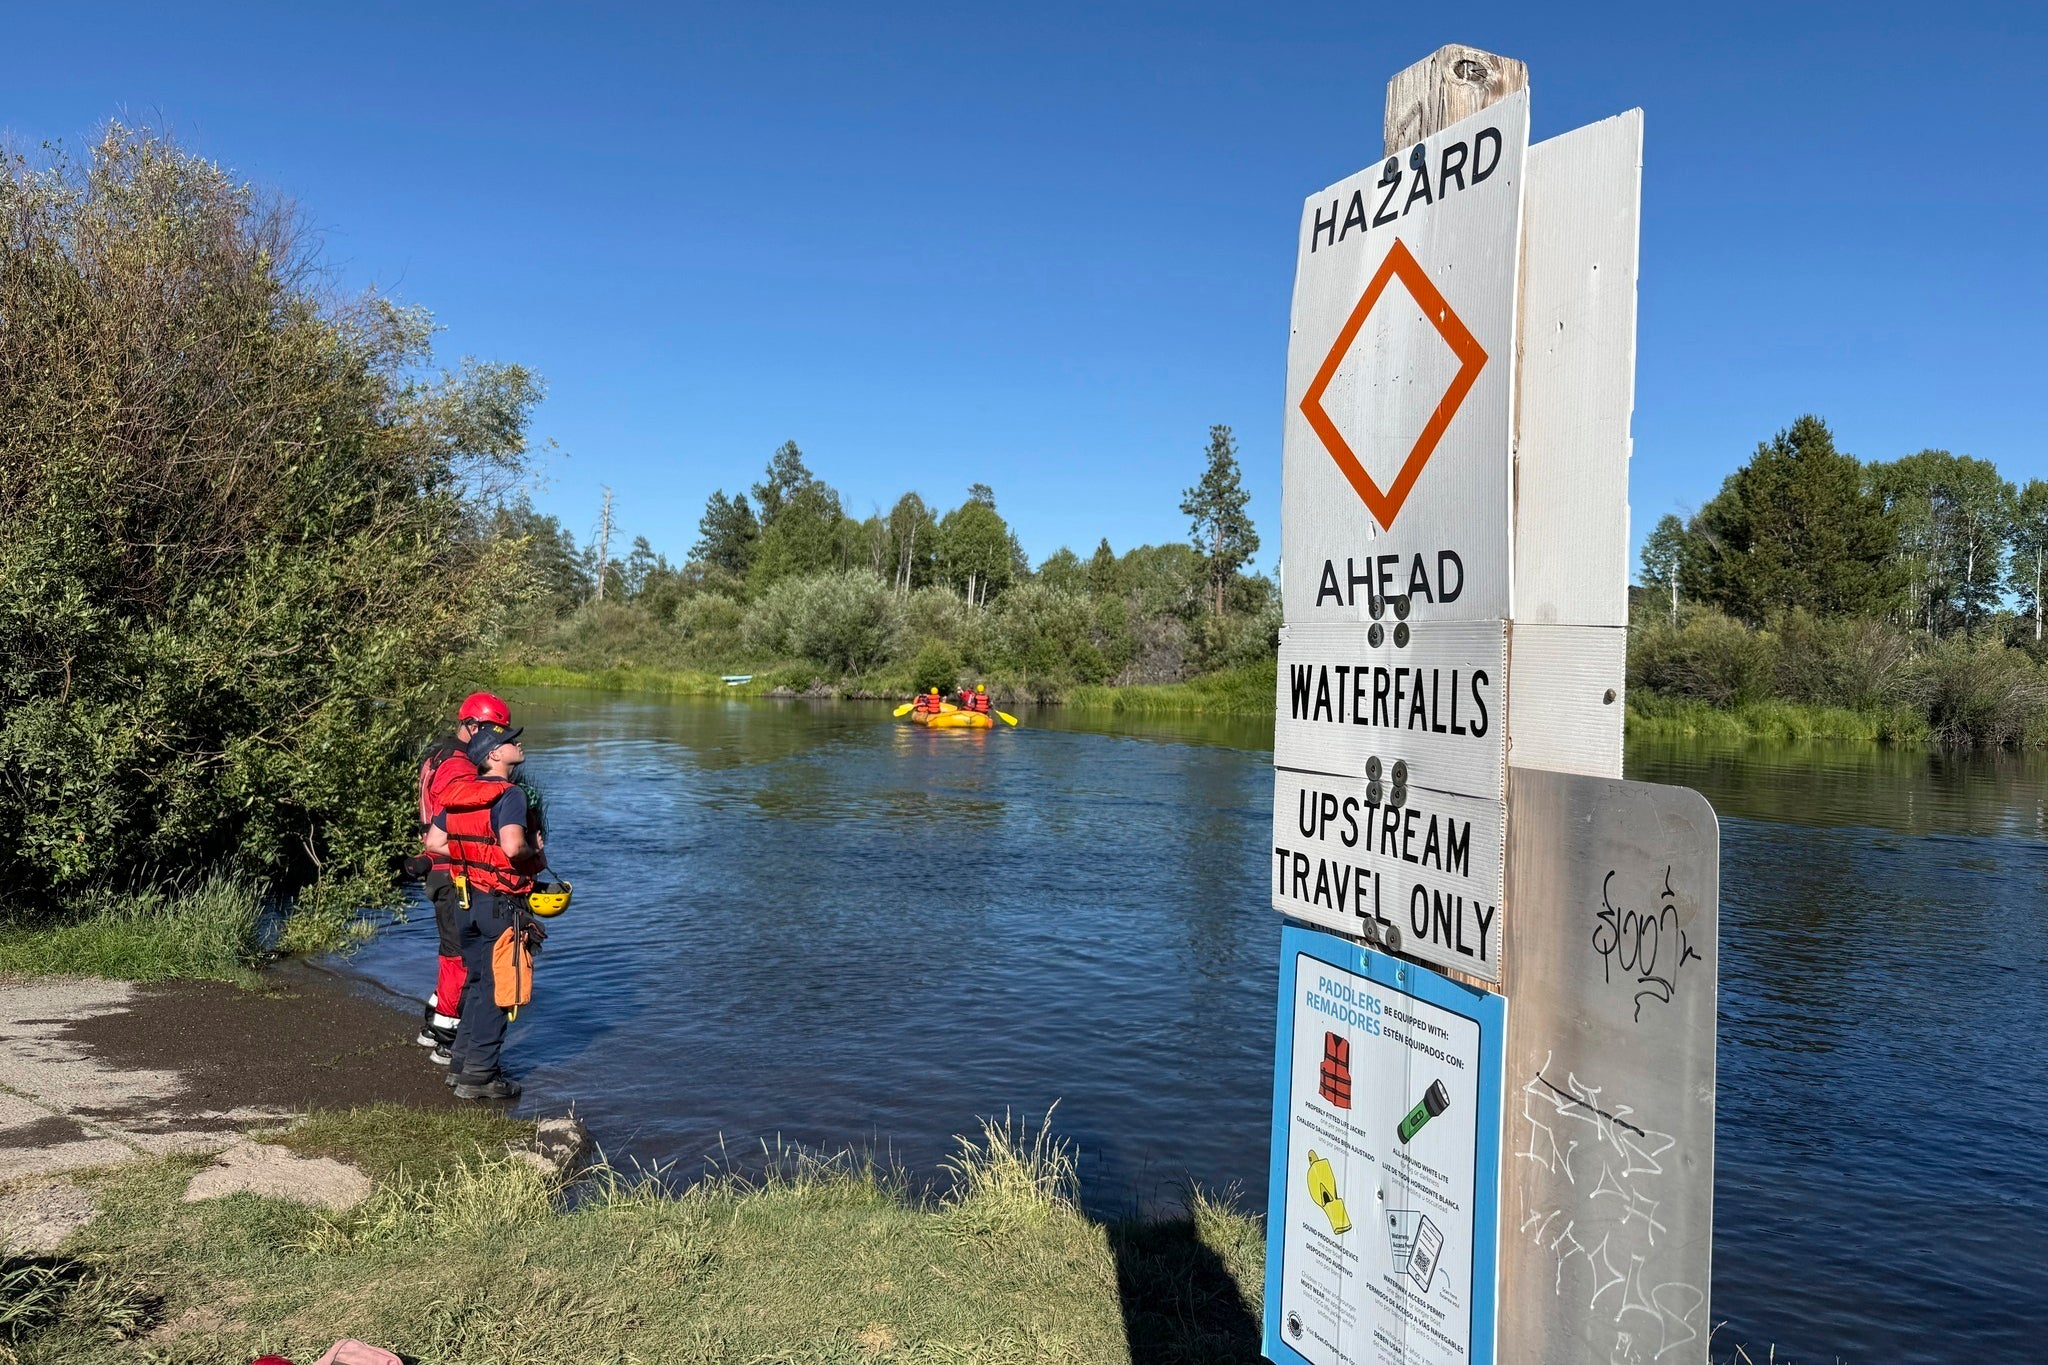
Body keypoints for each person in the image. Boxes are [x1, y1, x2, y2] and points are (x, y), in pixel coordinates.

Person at [432, 723, 545, 1101]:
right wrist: (533, 846)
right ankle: (480, 1077)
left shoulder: (460, 792)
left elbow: (434, 842)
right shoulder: (510, 794)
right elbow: (513, 848)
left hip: (466, 903)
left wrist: (476, 856)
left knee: (478, 982)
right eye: (510, 742)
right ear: (494, 755)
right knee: (501, 988)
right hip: (500, 905)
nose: (517, 743)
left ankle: (461, 1066)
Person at [413, 693, 514, 1063]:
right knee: (461, 957)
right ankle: (446, 1040)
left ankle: (435, 1026)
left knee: (452, 951)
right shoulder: (458, 767)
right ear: (472, 726)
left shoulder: (438, 754)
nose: (496, 741)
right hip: (450, 869)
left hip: (440, 866)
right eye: (492, 732)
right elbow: (453, 819)